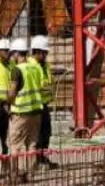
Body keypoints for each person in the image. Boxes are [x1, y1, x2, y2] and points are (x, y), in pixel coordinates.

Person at [7, 37, 42, 181]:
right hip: (36, 111)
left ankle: (14, 174)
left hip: (21, 112)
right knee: (32, 144)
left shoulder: (16, 70)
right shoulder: (34, 67)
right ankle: (31, 175)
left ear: (16, 54)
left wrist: (8, 102)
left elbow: (12, 92)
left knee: (15, 145)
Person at [30, 35, 58, 169]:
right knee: (38, 135)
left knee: (46, 133)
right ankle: (37, 160)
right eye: (44, 52)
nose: (46, 55)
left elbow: (48, 82)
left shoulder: (45, 65)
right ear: (37, 51)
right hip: (35, 106)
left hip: (44, 105)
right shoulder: (31, 66)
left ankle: (43, 157)